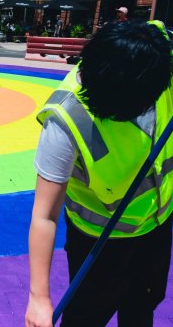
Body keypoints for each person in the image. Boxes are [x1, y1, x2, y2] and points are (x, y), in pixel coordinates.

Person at [25, 20, 173, 327]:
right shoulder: (64, 121)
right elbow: (44, 215)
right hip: (99, 245)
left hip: (158, 226)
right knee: (86, 317)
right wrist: (38, 298)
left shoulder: (155, 60)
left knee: (142, 306)